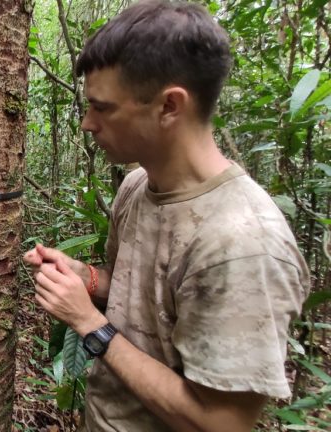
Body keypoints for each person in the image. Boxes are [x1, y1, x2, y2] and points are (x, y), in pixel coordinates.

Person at [23, 1, 309, 431]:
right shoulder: (136, 186)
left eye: (103, 107)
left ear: (170, 106)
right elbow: (138, 303)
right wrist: (89, 280)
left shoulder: (244, 246)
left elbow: (219, 423)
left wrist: (89, 324)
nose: (87, 123)